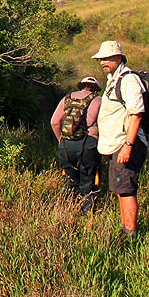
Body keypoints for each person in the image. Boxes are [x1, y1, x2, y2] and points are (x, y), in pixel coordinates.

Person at [92, 40, 148, 239]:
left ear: (118, 58)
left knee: (126, 190)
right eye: (101, 59)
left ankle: (130, 234)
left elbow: (136, 114)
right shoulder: (113, 79)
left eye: (107, 58)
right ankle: (126, 229)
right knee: (120, 189)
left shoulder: (128, 80)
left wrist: (128, 146)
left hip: (125, 145)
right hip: (116, 145)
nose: (103, 62)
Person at [51, 76, 103, 211]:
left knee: (70, 179)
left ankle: (68, 209)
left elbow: (54, 122)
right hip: (88, 143)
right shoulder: (98, 100)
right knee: (88, 179)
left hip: (66, 144)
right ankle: (86, 212)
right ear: (95, 89)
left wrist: (61, 140)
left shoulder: (67, 98)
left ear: (81, 85)